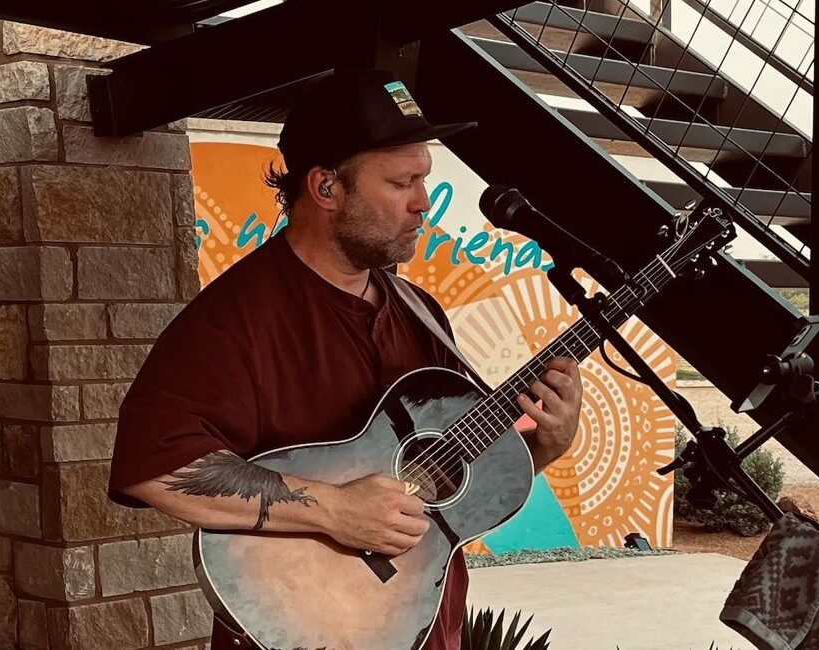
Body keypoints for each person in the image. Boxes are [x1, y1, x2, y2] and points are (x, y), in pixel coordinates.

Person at [107, 68, 584, 650]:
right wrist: (334, 509)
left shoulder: (419, 309)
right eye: (401, 182)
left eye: (424, 179)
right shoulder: (236, 318)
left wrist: (541, 447)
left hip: (431, 625)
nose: (423, 203)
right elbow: (154, 468)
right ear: (326, 188)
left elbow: (438, 488)